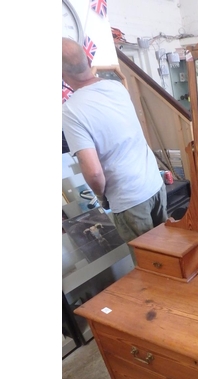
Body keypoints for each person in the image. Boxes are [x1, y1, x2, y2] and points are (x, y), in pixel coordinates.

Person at [62, 37, 167, 245]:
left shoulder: (70, 110)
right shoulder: (116, 87)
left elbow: (93, 172)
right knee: (170, 252)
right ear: (86, 59)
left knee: (151, 267)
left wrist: (102, 197)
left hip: (129, 200)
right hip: (155, 185)